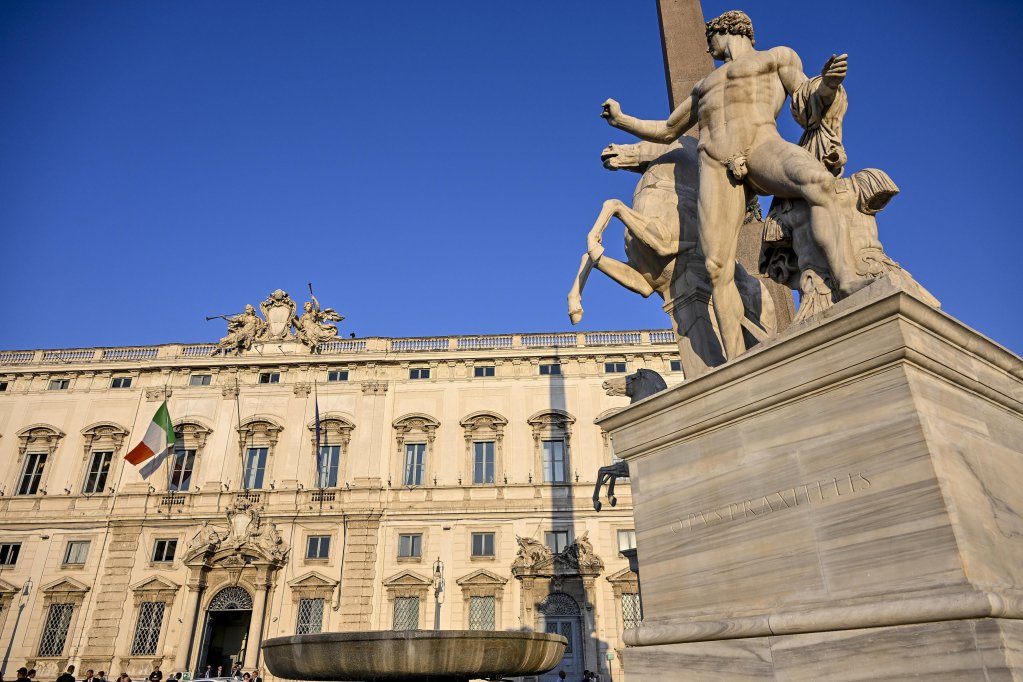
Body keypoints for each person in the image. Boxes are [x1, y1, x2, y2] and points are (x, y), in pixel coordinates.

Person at [602, 10, 847, 361]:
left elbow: (804, 99)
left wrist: (827, 85)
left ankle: (846, 280)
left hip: (761, 143)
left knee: (819, 183)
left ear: (725, 30)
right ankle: (736, 360)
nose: (709, 49)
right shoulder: (705, 86)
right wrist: (622, 119)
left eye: (709, 40)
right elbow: (668, 130)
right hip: (716, 161)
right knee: (717, 266)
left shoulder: (777, 57)